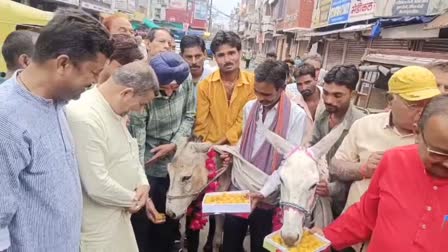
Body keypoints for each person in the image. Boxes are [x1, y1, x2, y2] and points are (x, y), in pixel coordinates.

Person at [0, 8, 112, 252]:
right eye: (93, 73)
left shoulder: (57, 102)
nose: (94, 82)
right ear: (63, 63)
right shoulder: (6, 120)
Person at [313, 94, 448, 251]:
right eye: (438, 153)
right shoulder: (395, 161)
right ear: (417, 134)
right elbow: (366, 215)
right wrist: (325, 238)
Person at [66, 61, 161, 252]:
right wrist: (135, 199)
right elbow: (96, 184)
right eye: (142, 104)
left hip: (120, 214)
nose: (141, 110)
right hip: (97, 225)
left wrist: (143, 183)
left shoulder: (116, 108)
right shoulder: (85, 116)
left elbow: (129, 149)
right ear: (126, 93)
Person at [222, 60, 307, 252]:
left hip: (268, 196)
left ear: (281, 89)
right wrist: (233, 155)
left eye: (267, 94)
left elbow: (288, 162)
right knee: (230, 244)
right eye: (257, 92)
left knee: (260, 246)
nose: (260, 98)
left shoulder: (296, 115)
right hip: (240, 189)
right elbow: (246, 144)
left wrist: (263, 192)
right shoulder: (250, 107)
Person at [129, 52, 194, 252]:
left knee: (169, 222)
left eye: (177, 87)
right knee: (144, 223)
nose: (173, 91)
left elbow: (190, 116)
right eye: (168, 87)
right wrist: (142, 183)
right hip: (149, 166)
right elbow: (138, 141)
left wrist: (174, 144)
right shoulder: (144, 95)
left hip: (175, 164)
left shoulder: (186, 81)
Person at [309, 65, 365, 218]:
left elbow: (362, 173)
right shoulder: (323, 116)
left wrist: (333, 189)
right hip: (321, 197)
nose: (328, 100)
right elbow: (313, 147)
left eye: (337, 95)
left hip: (347, 206)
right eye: (325, 93)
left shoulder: (362, 124)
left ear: (352, 95)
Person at [195, 31, 256, 146]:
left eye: (231, 53)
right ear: (214, 58)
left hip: (241, 147)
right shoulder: (205, 86)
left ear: (240, 53)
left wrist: (220, 145)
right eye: (221, 55)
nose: (227, 60)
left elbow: (245, 119)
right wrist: (204, 149)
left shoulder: (253, 83)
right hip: (210, 147)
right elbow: (201, 123)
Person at [285, 63, 325, 144]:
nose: (303, 88)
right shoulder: (294, 105)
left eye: (307, 82)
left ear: (315, 79)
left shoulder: (328, 98)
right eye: (299, 84)